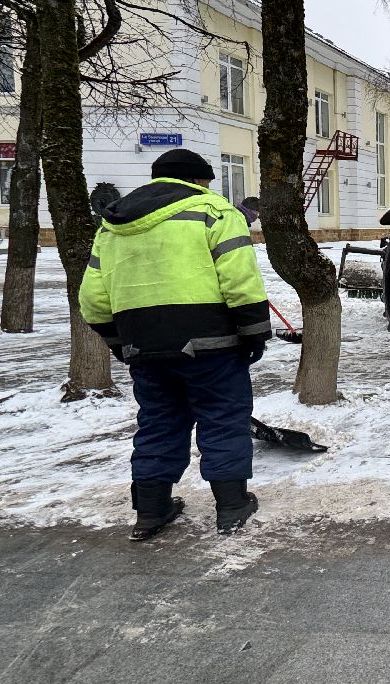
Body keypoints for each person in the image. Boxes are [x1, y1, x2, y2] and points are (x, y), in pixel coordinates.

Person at [79, 149, 272, 540]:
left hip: (143, 346)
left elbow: (92, 299)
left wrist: (120, 342)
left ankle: (151, 511)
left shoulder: (113, 224)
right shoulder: (214, 212)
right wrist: (254, 334)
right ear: (199, 180)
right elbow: (239, 279)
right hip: (212, 344)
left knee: (158, 421)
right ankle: (232, 506)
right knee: (222, 417)